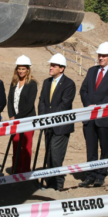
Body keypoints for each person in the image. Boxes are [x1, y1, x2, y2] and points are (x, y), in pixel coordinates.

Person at [79, 42, 108, 187]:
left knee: (104, 147)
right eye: (99, 55)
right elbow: (83, 90)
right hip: (89, 117)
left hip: (104, 117)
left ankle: (101, 175)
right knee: (91, 147)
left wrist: (98, 106)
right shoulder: (92, 71)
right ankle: (90, 175)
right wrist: (88, 106)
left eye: (104, 56)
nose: (101, 58)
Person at [38, 53, 76, 190]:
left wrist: (49, 118)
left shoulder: (69, 84)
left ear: (62, 68)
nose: (51, 68)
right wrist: (42, 118)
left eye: (54, 66)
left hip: (60, 126)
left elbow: (64, 104)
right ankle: (50, 183)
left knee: (56, 154)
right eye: (50, 65)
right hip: (47, 125)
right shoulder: (46, 82)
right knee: (48, 154)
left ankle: (59, 184)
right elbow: (42, 101)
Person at [7, 55, 38, 173]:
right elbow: (9, 99)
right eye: (19, 68)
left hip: (27, 120)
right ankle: (16, 169)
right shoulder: (14, 82)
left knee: (26, 146)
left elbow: (29, 105)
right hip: (15, 120)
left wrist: (17, 117)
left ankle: (25, 171)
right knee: (15, 145)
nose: (21, 71)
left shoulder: (32, 84)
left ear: (28, 70)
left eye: (23, 68)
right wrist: (11, 115)